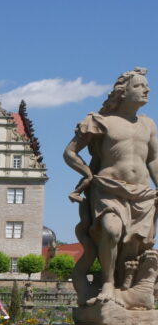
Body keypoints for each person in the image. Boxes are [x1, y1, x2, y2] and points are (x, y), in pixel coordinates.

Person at [64, 68, 158, 306]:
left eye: (146, 86)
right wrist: (87, 174)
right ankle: (106, 282)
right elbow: (70, 152)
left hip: (142, 195)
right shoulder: (101, 121)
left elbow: (153, 160)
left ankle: (125, 288)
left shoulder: (148, 124)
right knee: (111, 230)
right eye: (139, 86)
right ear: (122, 92)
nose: (146, 89)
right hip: (108, 188)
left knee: (132, 247)